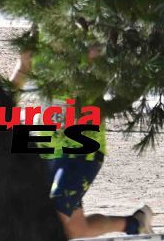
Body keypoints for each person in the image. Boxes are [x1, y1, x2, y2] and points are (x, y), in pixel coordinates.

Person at [11, 44, 153, 238]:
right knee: (75, 229)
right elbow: (5, 98)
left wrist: (96, 64)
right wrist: (22, 67)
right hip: (45, 149)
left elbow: (112, 87)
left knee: (53, 221)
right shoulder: (40, 44)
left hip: (82, 149)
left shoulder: (87, 39)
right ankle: (136, 224)